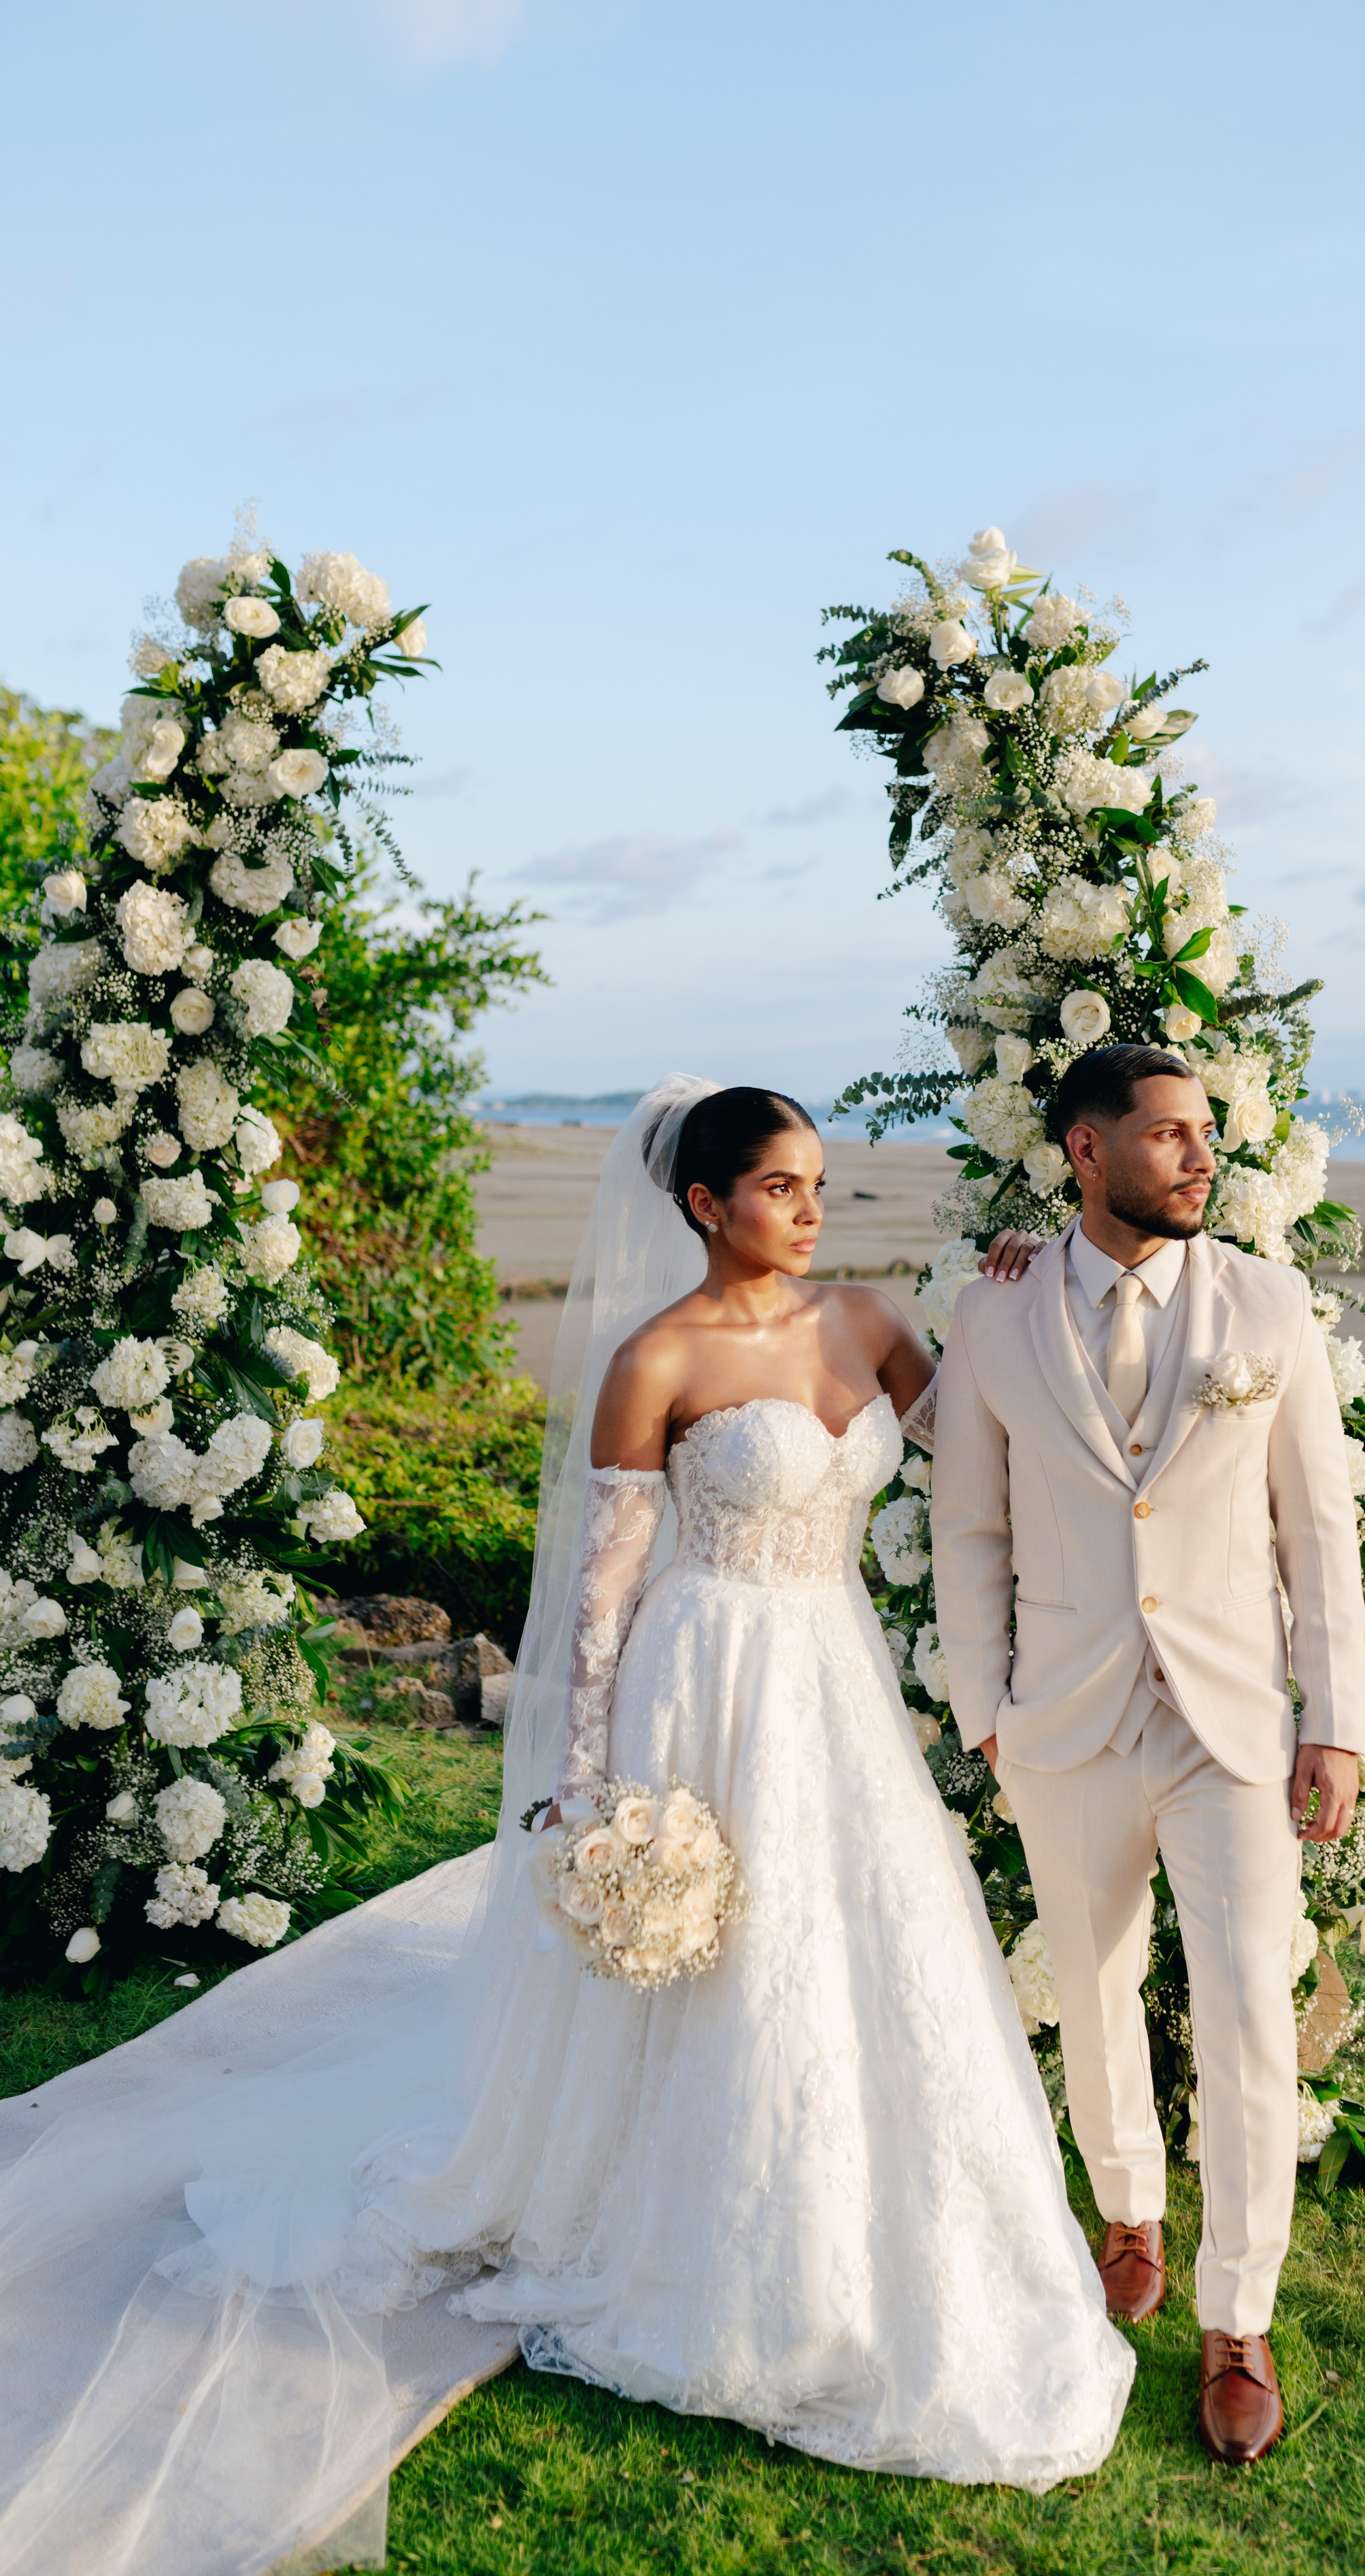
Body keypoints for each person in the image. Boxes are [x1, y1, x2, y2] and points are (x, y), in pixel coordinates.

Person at [0, 1079, 1131, 2576]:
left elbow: (980, 1453)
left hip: (832, 1679)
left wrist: (1010, 1300)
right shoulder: (652, 1357)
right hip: (701, 1679)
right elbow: (600, 1596)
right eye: (779, 1187)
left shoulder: (864, 1322)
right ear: (702, 1204)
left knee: (860, 1942)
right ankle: (679, 2220)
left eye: (815, 1185)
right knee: (719, 1952)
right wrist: (589, 1788)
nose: (807, 1211)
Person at [930, 1043, 1365, 2468]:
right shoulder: (993, 1314)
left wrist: (1332, 1720)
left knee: (1246, 2001)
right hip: (1063, 1713)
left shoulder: (1267, 1302)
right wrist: (984, 1703)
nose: (1199, 1160)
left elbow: (1317, 1529)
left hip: (1229, 1720)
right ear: (1082, 1150)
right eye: (1169, 1135)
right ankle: (1128, 2213)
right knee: (1091, 1976)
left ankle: (1234, 2317)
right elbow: (969, 1531)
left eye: (1207, 1136)